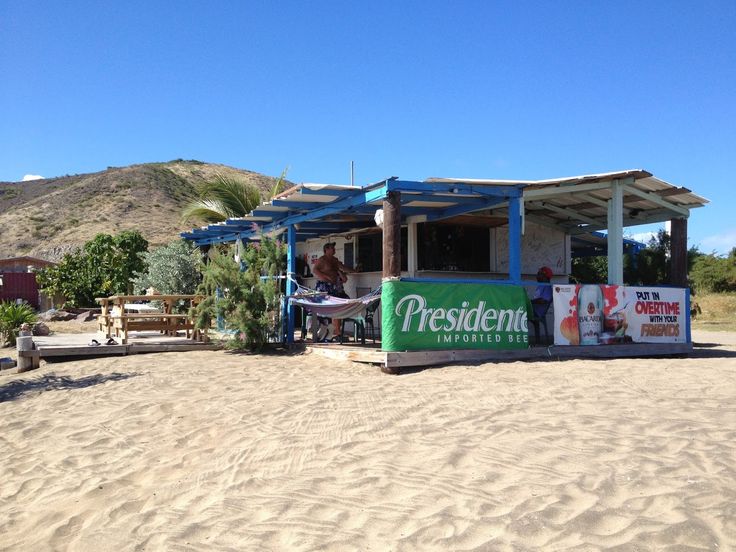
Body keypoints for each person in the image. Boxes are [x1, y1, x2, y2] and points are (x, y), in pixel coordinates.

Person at [311, 242, 354, 341]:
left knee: (341, 306)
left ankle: (337, 332)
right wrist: (325, 277)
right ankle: (328, 331)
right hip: (325, 287)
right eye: (332, 248)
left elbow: (343, 268)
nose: (334, 249)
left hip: (336, 287)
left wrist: (354, 270)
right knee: (328, 310)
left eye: (334, 248)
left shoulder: (335, 260)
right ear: (326, 249)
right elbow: (315, 270)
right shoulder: (322, 260)